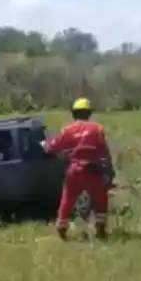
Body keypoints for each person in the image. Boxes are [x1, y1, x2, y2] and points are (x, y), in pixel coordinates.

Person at [43, 97, 113, 241]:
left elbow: (53, 147)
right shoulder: (97, 129)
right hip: (92, 170)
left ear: (74, 113)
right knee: (100, 200)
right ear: (89, 113)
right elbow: (103, 151)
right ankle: (100, 230)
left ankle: (61, 229)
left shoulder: (68, 130)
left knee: (67, 199)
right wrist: (108, 169)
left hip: (74, 170)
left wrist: (45, 144)